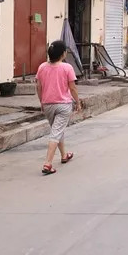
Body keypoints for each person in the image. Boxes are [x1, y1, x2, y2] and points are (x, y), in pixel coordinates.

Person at [36, 40, 81, 175]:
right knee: (56, 132)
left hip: (48, 104)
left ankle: (64, 155)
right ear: (63, 54)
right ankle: (48, 163)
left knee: (57, 129)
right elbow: (72, 88)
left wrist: (42, 102)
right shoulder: (67, 68)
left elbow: (39, 87)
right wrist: (77, 102)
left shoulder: (42, 67)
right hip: (63, 105)